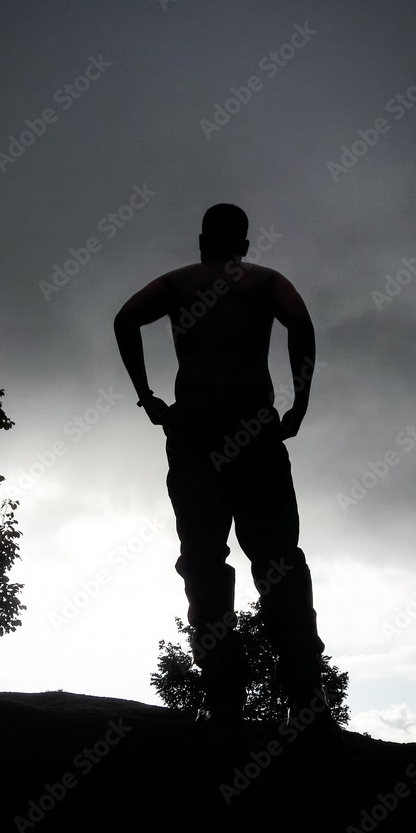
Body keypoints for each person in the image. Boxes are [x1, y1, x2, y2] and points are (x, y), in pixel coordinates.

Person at [114, 203, 334, 730]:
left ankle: (223, 701)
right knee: (277, 555)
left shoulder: (177, 283)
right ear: (246, 243)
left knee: (204, 557)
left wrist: (147, 396)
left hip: (193, 422)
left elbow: (125, 319)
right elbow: (300, 323)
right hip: (250, 419)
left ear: (201, 240)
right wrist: (299, 402)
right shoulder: (265, 281)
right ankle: (305, 696)